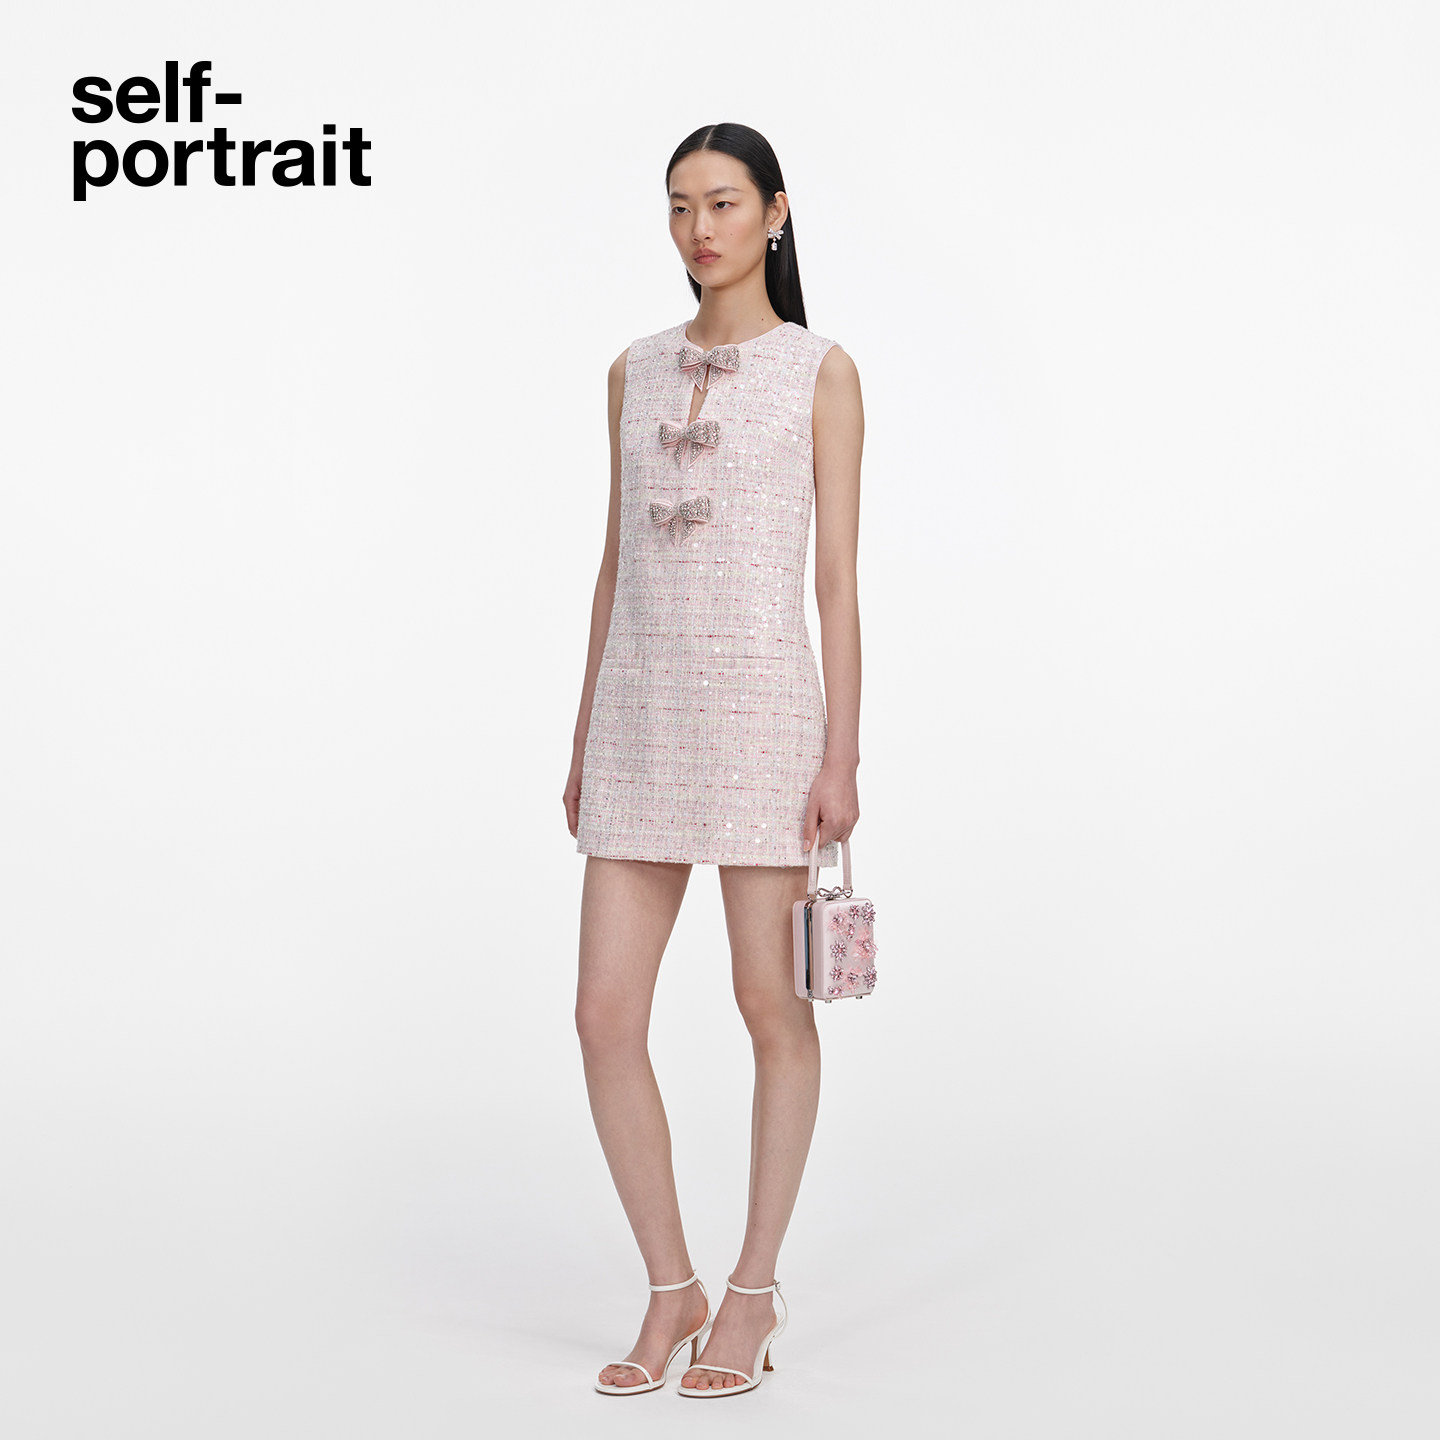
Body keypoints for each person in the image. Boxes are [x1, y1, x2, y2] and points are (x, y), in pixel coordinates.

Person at [563, 121, 864, 1397]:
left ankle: (751, 1291)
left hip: (762, 720)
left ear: (775, 212)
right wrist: (584, 729)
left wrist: (842, 753)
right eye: (681, 205)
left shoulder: (821, 372)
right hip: (638, 715)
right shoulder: (631, 370)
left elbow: (836, 581)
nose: (701, 228)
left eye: (726, 202)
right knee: (603, 1016)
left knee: (769, 1008)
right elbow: (615, 562)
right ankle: (669, 1286)